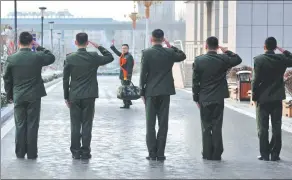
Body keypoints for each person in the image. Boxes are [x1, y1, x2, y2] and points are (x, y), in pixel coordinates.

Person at [3, 31, 55, 159]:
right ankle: (32, 153)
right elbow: (51, 57)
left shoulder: (12, 58)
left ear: (18, 42)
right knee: (32, 124)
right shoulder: (37, 56)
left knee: (20, 124)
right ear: (31, 42)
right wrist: (38, 47)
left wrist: (10, 95)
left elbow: (7, 79)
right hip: (34, 96)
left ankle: (20, 153)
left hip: (19, 96)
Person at [63, 33, 114, 160]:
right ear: (87, 43)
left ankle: (75, 152)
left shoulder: (69, 58)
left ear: (76, 43)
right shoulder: (93, 56)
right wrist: (99, 47)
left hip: (74, 95)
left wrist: (66, 97)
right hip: (89, 96)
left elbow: (65, 80)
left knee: (75, 125)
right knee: (87, 124)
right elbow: (110, 57)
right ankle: (85, 151)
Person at [192, 36, 242, 161]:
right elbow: (238, 59)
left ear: (206, 46)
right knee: (217, 126)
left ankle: (207, 153)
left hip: (204, 98)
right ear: (217, 46)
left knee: (206, 126)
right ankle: (217, 153)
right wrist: (226, 51)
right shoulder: (224, 58)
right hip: (219, 97)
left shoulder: (199, 60)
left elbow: (195, 82)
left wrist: (196, 98)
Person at [139, 29, 186, 161]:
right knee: (163, 123)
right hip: (165, 92)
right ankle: (160, 154)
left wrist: (141, 91)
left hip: (150, 92)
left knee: (150, 124)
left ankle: (152, 153)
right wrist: (170, 46)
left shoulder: (146, 53)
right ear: (163, 39)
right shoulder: (170, 52)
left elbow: (143, 73)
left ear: (151, 39)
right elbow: (182, 56)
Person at [252, 37, 292, 161]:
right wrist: (284, 51)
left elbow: (255, 80)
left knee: (262, 127)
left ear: (264, 46)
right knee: (276, 126)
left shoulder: (259, 60)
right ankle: (275, 154)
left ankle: (264, 154)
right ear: (275, 47)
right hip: (277, 97)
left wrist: (254, 96)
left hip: (262, 99)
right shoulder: (282, 59)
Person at [110, 41, 134, 109]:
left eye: (125, 48)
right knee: (126, 89)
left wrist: (127, 77)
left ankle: (126, 104)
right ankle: (128, 101)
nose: (123, 49)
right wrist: (112, 47)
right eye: (122, 48)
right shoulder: (123, 55)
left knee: (125, 90)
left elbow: (129, 67)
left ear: (128, 49)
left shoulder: (129, 56)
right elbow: (118, 53)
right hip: (123, 76)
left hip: (126, 76)